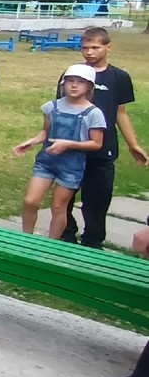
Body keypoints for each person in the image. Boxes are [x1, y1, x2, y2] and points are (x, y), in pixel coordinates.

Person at [56, 27, 147, 247]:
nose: (89, 52)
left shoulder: (119, 77)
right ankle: (66, 234)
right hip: (72, 146)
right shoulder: (72, 74)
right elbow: (60, 108)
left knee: (98, 198)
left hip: (102, 147)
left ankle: (93, 240)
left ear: (108, 47)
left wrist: (133, 144)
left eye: (95, 47)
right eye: (85, 48)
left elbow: (120, 113)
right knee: (64, 195)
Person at [12, 64, 106, 238]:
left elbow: (96, 144)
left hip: (71, 166)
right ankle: (26, 239)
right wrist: (32, 142)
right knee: (30, 201)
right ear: (63, 84)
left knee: (58, 207)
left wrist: (68, 144)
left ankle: (51, 244)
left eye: (80, 82)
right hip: (46, 162)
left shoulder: (94, 113)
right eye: (70, 81)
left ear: (89, 86)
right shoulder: (52, 107)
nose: (74, 85)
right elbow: (45, 133)